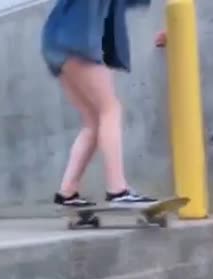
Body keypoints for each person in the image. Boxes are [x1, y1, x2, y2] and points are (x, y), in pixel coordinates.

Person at [41, 0, 165, 208]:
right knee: (110, 109)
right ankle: (118, 190)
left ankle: (67, 192)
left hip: (54, 42)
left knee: (92, 120)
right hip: (75, 41)